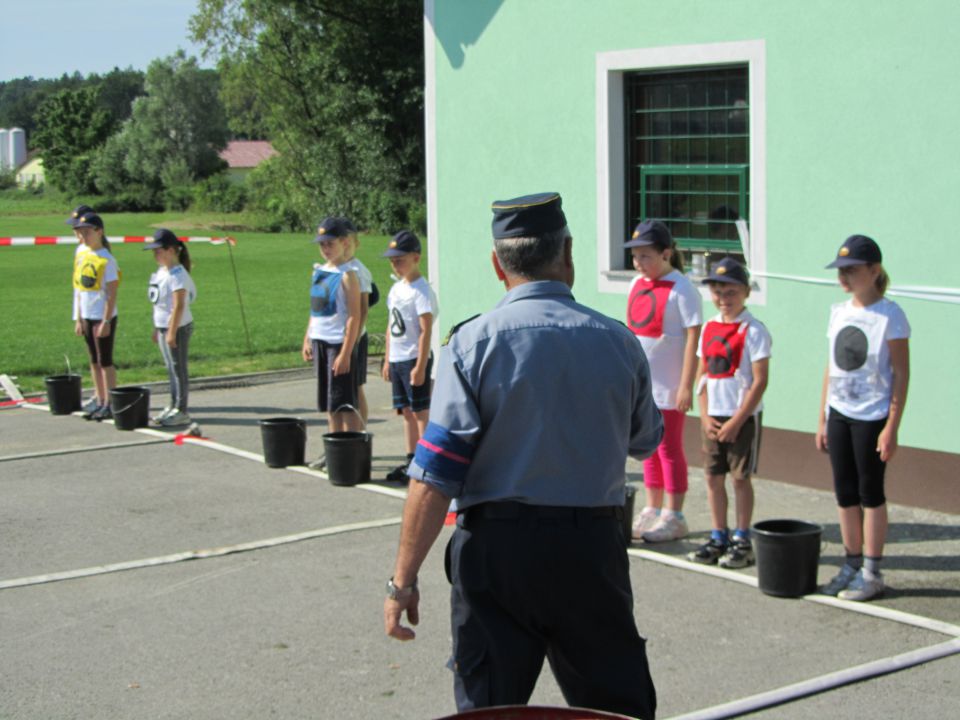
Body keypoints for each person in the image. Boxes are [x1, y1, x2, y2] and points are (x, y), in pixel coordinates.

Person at [383, 192, 662, 719]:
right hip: (591, 549)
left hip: (498, 551)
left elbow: (434, 475)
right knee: (617, 709)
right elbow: (645, 440)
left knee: (489, 707)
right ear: (569, 254)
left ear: (497, 265)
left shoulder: (471, 344)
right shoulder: (619, 342)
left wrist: (402, 581)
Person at [816, 235, 909, 601]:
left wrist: (891, 426)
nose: (844, 278)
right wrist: (822, 418)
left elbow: (900, 373)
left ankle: (872, 571)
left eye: (851, 271)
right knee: (844, 493)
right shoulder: (839, 312)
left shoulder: (890, 315)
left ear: (874, 271)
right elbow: (831, 366)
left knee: (871, 493)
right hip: (840, 413)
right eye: (841, 272)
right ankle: (851, 563)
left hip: (872, 416)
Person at [687, 258, 771, 568]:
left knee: (739, 479)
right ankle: (718, 534)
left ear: (746, 292)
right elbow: (703, 376)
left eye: (731, 292)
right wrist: (705, 415)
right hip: (713, 416)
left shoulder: (754, 330)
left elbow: (760, 381)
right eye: (718, 291)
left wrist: (737, 420)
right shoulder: (709, 327)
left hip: (742, 417)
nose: (724, 298)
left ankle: (741, 538)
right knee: (712, 477)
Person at [624, 220, 703, 543]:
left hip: (669, 387)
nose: (639, 263)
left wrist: (686, 385)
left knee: (669, 449)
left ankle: (675, 514)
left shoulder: (682, 288)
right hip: (645, 388)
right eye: (635, 257)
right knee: (649, 449)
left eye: (646, 256)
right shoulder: (636, 284)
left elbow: (693, 339)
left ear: (666, 253)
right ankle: (652, 508)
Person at [379, 230, 437, 483]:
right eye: (392, 260)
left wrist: (421, 366)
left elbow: (426, 330)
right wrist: (387, 358)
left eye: (400, 259)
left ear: (416, 257)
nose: (396, 264)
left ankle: (425, 463)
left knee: (420, 411)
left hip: (415, 358)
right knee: (405, 411)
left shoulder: (421, 291)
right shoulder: (396, 289)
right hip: (398, 358)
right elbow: (391, 325)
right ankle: (410, 459)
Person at [301, 217, 363, 434]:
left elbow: (354, 316)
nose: (326, 248)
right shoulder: (318, 271)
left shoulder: (348, 275)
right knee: (330, 402)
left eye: (330, 243)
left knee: (343, 402)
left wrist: (346, 352)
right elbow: (315, 308)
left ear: (344, 243)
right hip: (319, 339)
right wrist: (307, 338)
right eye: (322, 244)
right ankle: (333, 446)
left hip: (337, 343)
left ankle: (350, 448)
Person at [144, 229, 197, 427]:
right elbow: (160, 304)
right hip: (163, 327)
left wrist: (172, 331)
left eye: (159, 250)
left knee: (178, 369)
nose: (155, 254)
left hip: (178, 328)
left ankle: (181, 410)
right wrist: (157, 329)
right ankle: (173, 405)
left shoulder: (177, 274)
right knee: (170, 369)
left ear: (172, 250)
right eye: (154, 251)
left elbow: (179, 305)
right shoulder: (162, 272)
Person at [71, 212, 119, 421]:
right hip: (88, 314)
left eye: (88, 232)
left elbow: (112, 293)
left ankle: (110, 402)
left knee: (105, 360)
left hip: (102, 315)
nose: (84, 236)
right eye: (81, 233)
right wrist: (79, 317)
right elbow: (79, 289)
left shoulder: (106, 259)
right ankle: (99, 399)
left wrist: (106, 321)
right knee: (93, 361)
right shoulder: (83, 254)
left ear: (99, 232)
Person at [342, 220, 377, 425]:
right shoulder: (339, 267)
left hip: (355, 337)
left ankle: (359, 433)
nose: (345, 247)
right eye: (342, 243)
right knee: (345, 389)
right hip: (341, 336)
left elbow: (363, 309)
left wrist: (354, 338)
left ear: (356, 244)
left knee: (355, 387)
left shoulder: (358, 270)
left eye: (349, 243)